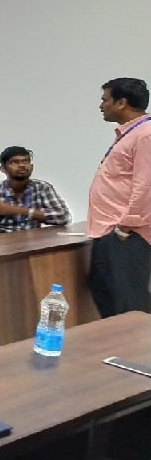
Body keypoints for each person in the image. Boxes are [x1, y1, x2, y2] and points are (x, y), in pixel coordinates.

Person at [89, 77, 151, 317]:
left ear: (122, 103)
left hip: (128, 234)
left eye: (105, 100)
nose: (101, 105)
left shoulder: (145, 134)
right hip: (112, 232)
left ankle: (138, 344)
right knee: (106, 293)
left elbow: (146, 186)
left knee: (129, 305)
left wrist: (125, 227)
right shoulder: (132, 133)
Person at [0, 147, 72, 235]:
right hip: (3, 245)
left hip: (36, 243)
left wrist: (19, 211)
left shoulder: (42, 188)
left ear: (32, 167)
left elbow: (64, 217)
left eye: (25, 161)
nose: (21, 165)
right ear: (3, 169)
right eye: (15, 162)